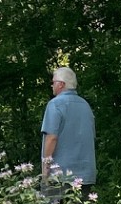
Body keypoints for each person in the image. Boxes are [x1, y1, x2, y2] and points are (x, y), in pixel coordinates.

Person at [40, 66, 97, 197]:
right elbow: (92, 136)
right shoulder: (86, 106)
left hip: (59, 176)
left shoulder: (55, 104)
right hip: (85, 175)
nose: (52, 85)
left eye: (53, 82)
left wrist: (45, 171)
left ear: (61, 84)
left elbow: (51, 138)